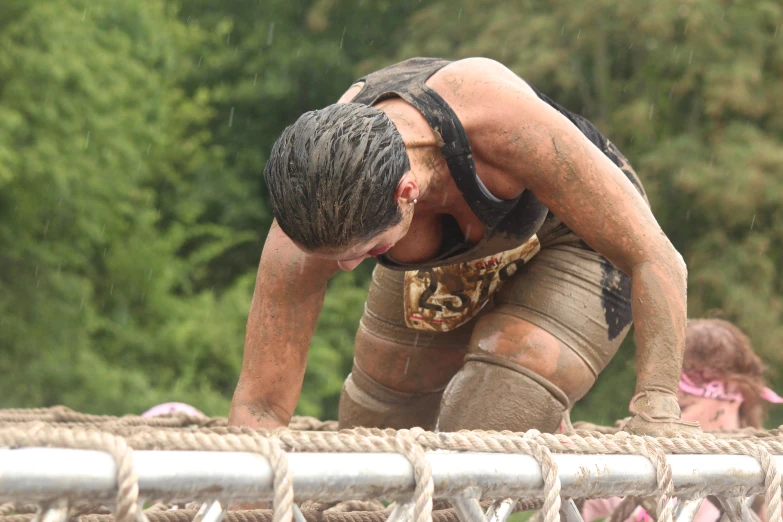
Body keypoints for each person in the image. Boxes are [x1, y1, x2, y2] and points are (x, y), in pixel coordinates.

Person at [229, 56, 698, 436]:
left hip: (575, 240)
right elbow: (261, 407)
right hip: (460, 251)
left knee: (488, 426)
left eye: (368, 251)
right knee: (373, 426)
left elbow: (656, 258)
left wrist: (656, 404)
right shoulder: (308, 205)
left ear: (406, 193)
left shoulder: (500, 124)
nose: (346, 267)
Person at [582, 318, 782, 522]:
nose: (662, 422)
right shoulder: (647, 464)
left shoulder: (772, 475)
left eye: (682, 407)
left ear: (731, 393)